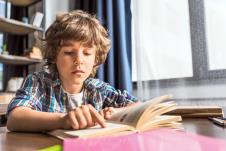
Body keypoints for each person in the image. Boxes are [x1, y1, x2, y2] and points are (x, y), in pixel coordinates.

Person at [6, 10, 139, 132]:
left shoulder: (99, 88)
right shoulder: (39, 82)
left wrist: (116, 112)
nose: (79, 60)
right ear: (54, 56)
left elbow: (137, 105)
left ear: (96, 59)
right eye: (69, 52)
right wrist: (63, 120)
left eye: (87, 53)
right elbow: (14, 118)